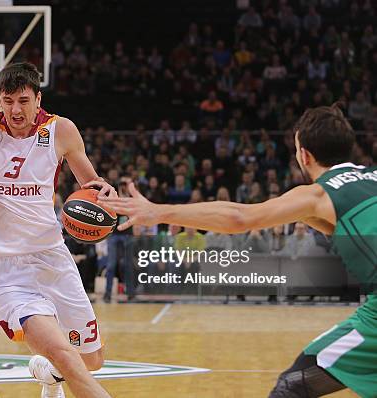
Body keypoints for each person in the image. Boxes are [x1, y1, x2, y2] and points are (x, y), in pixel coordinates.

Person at [99, 103, 377, 397]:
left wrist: (159, 211)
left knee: (292, 387)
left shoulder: (320, 194)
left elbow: (239, 217)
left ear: (304, 155)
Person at [0, 62, 115, 398]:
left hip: (51, 257)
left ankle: (46, 372)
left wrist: (106, 193)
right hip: (2, 268)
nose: (15, 109)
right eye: (8, 100)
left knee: (91, 360)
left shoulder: (62, 131)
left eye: (23, 101)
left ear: (38, 98)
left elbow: (91, 183)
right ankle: (55, 367)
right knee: (64, 354)